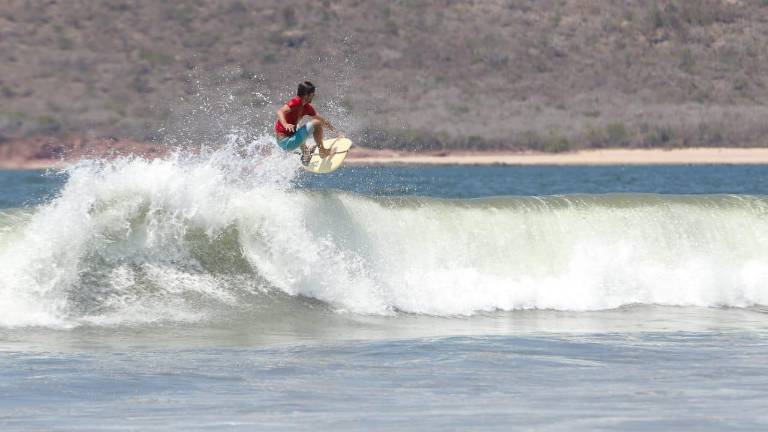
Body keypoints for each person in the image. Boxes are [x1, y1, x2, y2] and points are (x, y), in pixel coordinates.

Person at [275, 81, 336, 164]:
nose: (313, 96)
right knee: (316, 123)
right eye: (312, 94)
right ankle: (322, 151)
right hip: (286, 142)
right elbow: (280, 111)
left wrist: (335, 131)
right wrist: (285, 124)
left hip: (291, 139)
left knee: (308, 125)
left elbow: (322, 120)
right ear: (307, 95)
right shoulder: (295, 102)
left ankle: (306, 154)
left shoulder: (307, 107)